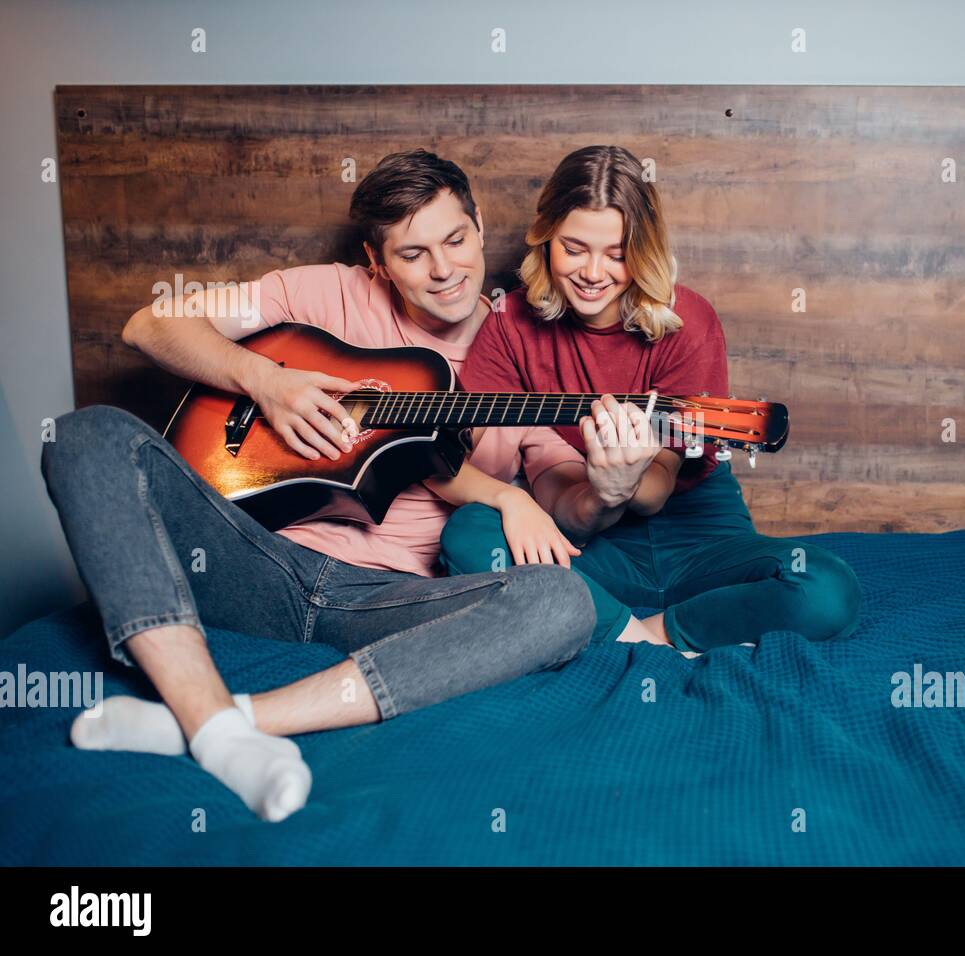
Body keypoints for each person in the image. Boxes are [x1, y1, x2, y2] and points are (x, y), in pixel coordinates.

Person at [40, 149, 598, 823]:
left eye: (455, 239)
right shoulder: (323, 291)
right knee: (83, 434)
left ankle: (215, 725)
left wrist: (612, 483)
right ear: (375, 261)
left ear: (480, 225)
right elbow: (150, 325)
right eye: (413, 253)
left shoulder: (530, 357)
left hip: (382, 600)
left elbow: (573, 501)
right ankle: (214, 722)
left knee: (562, 602)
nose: (445, 268)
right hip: (249, 562)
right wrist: (266, 382)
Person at [439, 145, 862, 654]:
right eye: (574, 248)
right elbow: (501, 473)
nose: (594, 273)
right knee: (468, 535)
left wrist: (622, 482)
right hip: (584, 540)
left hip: (700, 537)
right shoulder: (510, 324)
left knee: (826, 589)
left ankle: (655, 631)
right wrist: (587, 493)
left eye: (617, 254)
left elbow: (659, 483)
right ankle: (629, 632)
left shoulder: (689, 321)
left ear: (644, 249)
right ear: (545, 238)